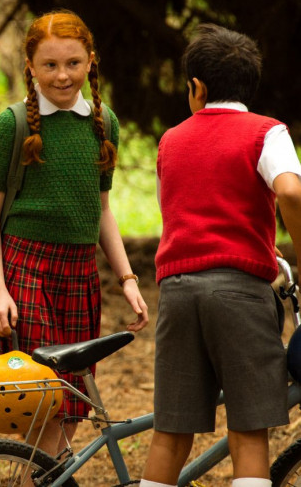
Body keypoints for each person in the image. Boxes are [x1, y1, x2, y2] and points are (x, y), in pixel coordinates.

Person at [0, 9, 149, 457]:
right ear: (30, 67)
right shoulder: (13, 125)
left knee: (70, 408)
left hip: (79, 276)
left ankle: (42, 479)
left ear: (91, 61)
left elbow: (102, 212)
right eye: (49, 65)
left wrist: (127, 280)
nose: (62, 76)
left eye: (72, 63)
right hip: (25, 271)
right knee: (38, 404)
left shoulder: (102, 123)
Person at [140, 24, 301, 487]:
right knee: (248, 432)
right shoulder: (266, 132)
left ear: (197, 87)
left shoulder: (170, 141)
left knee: (170, 433)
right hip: (239, 292)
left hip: (177, 291)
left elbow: (172, 210)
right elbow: (289, 188)